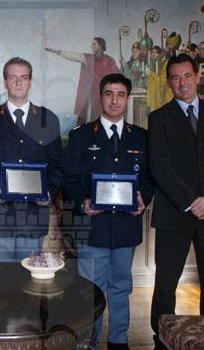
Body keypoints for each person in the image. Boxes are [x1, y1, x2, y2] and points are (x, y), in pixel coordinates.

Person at [148, 54, 204, 348]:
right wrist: (191, 202)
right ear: (168, 82)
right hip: (174, 214)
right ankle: (162, 341)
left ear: (197, 77)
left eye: (187, 76)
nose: (182, 83)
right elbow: (160, 167)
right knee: (165, 285)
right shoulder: (159, 118)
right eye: (175, 78)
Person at [64, 73, 154, 350]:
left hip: (126, 229)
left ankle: (118, 342)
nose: (114, 100)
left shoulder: (141, 137)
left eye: (120, 94)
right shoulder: (80, 136)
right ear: (100, 97)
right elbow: (69, 181)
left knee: (121, 289)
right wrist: (83, 202)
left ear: (127, 99)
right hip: (92, 229)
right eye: (109, 94)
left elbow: (149, 179)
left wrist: (143, 199)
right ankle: (89, 344)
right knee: (90, 292)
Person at [0, 57, 62, 262]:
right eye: (13, 77)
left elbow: (57, 165)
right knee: (1, 279)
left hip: (32, 218)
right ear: (5, 82)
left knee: (28, 279)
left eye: (24, 77)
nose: (18, 82)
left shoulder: (48, 119)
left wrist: (47, 193)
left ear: (30, 82)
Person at [45, 37, 119, 125]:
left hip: (103, 95)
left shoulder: (109, 61)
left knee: (103, 118)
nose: (91, 46)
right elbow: (73, 56)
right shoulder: (89, 58)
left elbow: (117, 75)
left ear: (100, 46)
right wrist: (58, 52)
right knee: (87, 117)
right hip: (91, 94)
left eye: (94, 44)